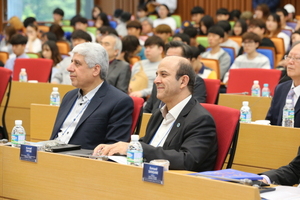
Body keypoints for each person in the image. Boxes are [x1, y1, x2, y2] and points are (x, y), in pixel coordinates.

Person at [93, 56, 217, 172]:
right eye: (156, 75)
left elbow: (187, 161)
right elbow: (147, 144)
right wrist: (116, 149)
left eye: (163, 75)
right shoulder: (159, 114)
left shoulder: (200, 119)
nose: (156, 81)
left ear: (183, 81)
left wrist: (137, 149)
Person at [50, 42, 133, 150]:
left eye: (77, 63)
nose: (69, 68)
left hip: (81, 162)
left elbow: (112, 150)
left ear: (95, 70)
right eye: (71, 62)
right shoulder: (69, 96)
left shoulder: (119, 102)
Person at [144, 40, 207, 113]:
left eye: (174, 57)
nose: (168, 61)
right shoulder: (159, 79)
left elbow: (193, 111)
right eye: (167, 57)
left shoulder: (196, 81)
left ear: (187, 61)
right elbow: (148, 109)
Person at [266, 41, 300, 127]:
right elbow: (271, 121)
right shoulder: (281, 89)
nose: (290, 62)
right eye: (289, 57)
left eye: (297, 58)